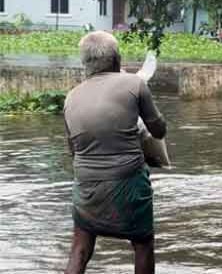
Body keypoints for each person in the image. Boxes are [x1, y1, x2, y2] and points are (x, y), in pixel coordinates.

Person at [63, 31, 167, 274]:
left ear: (85, 64)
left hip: (85, 184)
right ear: (117, 59)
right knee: (142, 244)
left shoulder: (71, 97)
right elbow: (159, 130)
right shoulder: (135, 84)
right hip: (128, 182)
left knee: (79, 248)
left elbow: (73, 151)